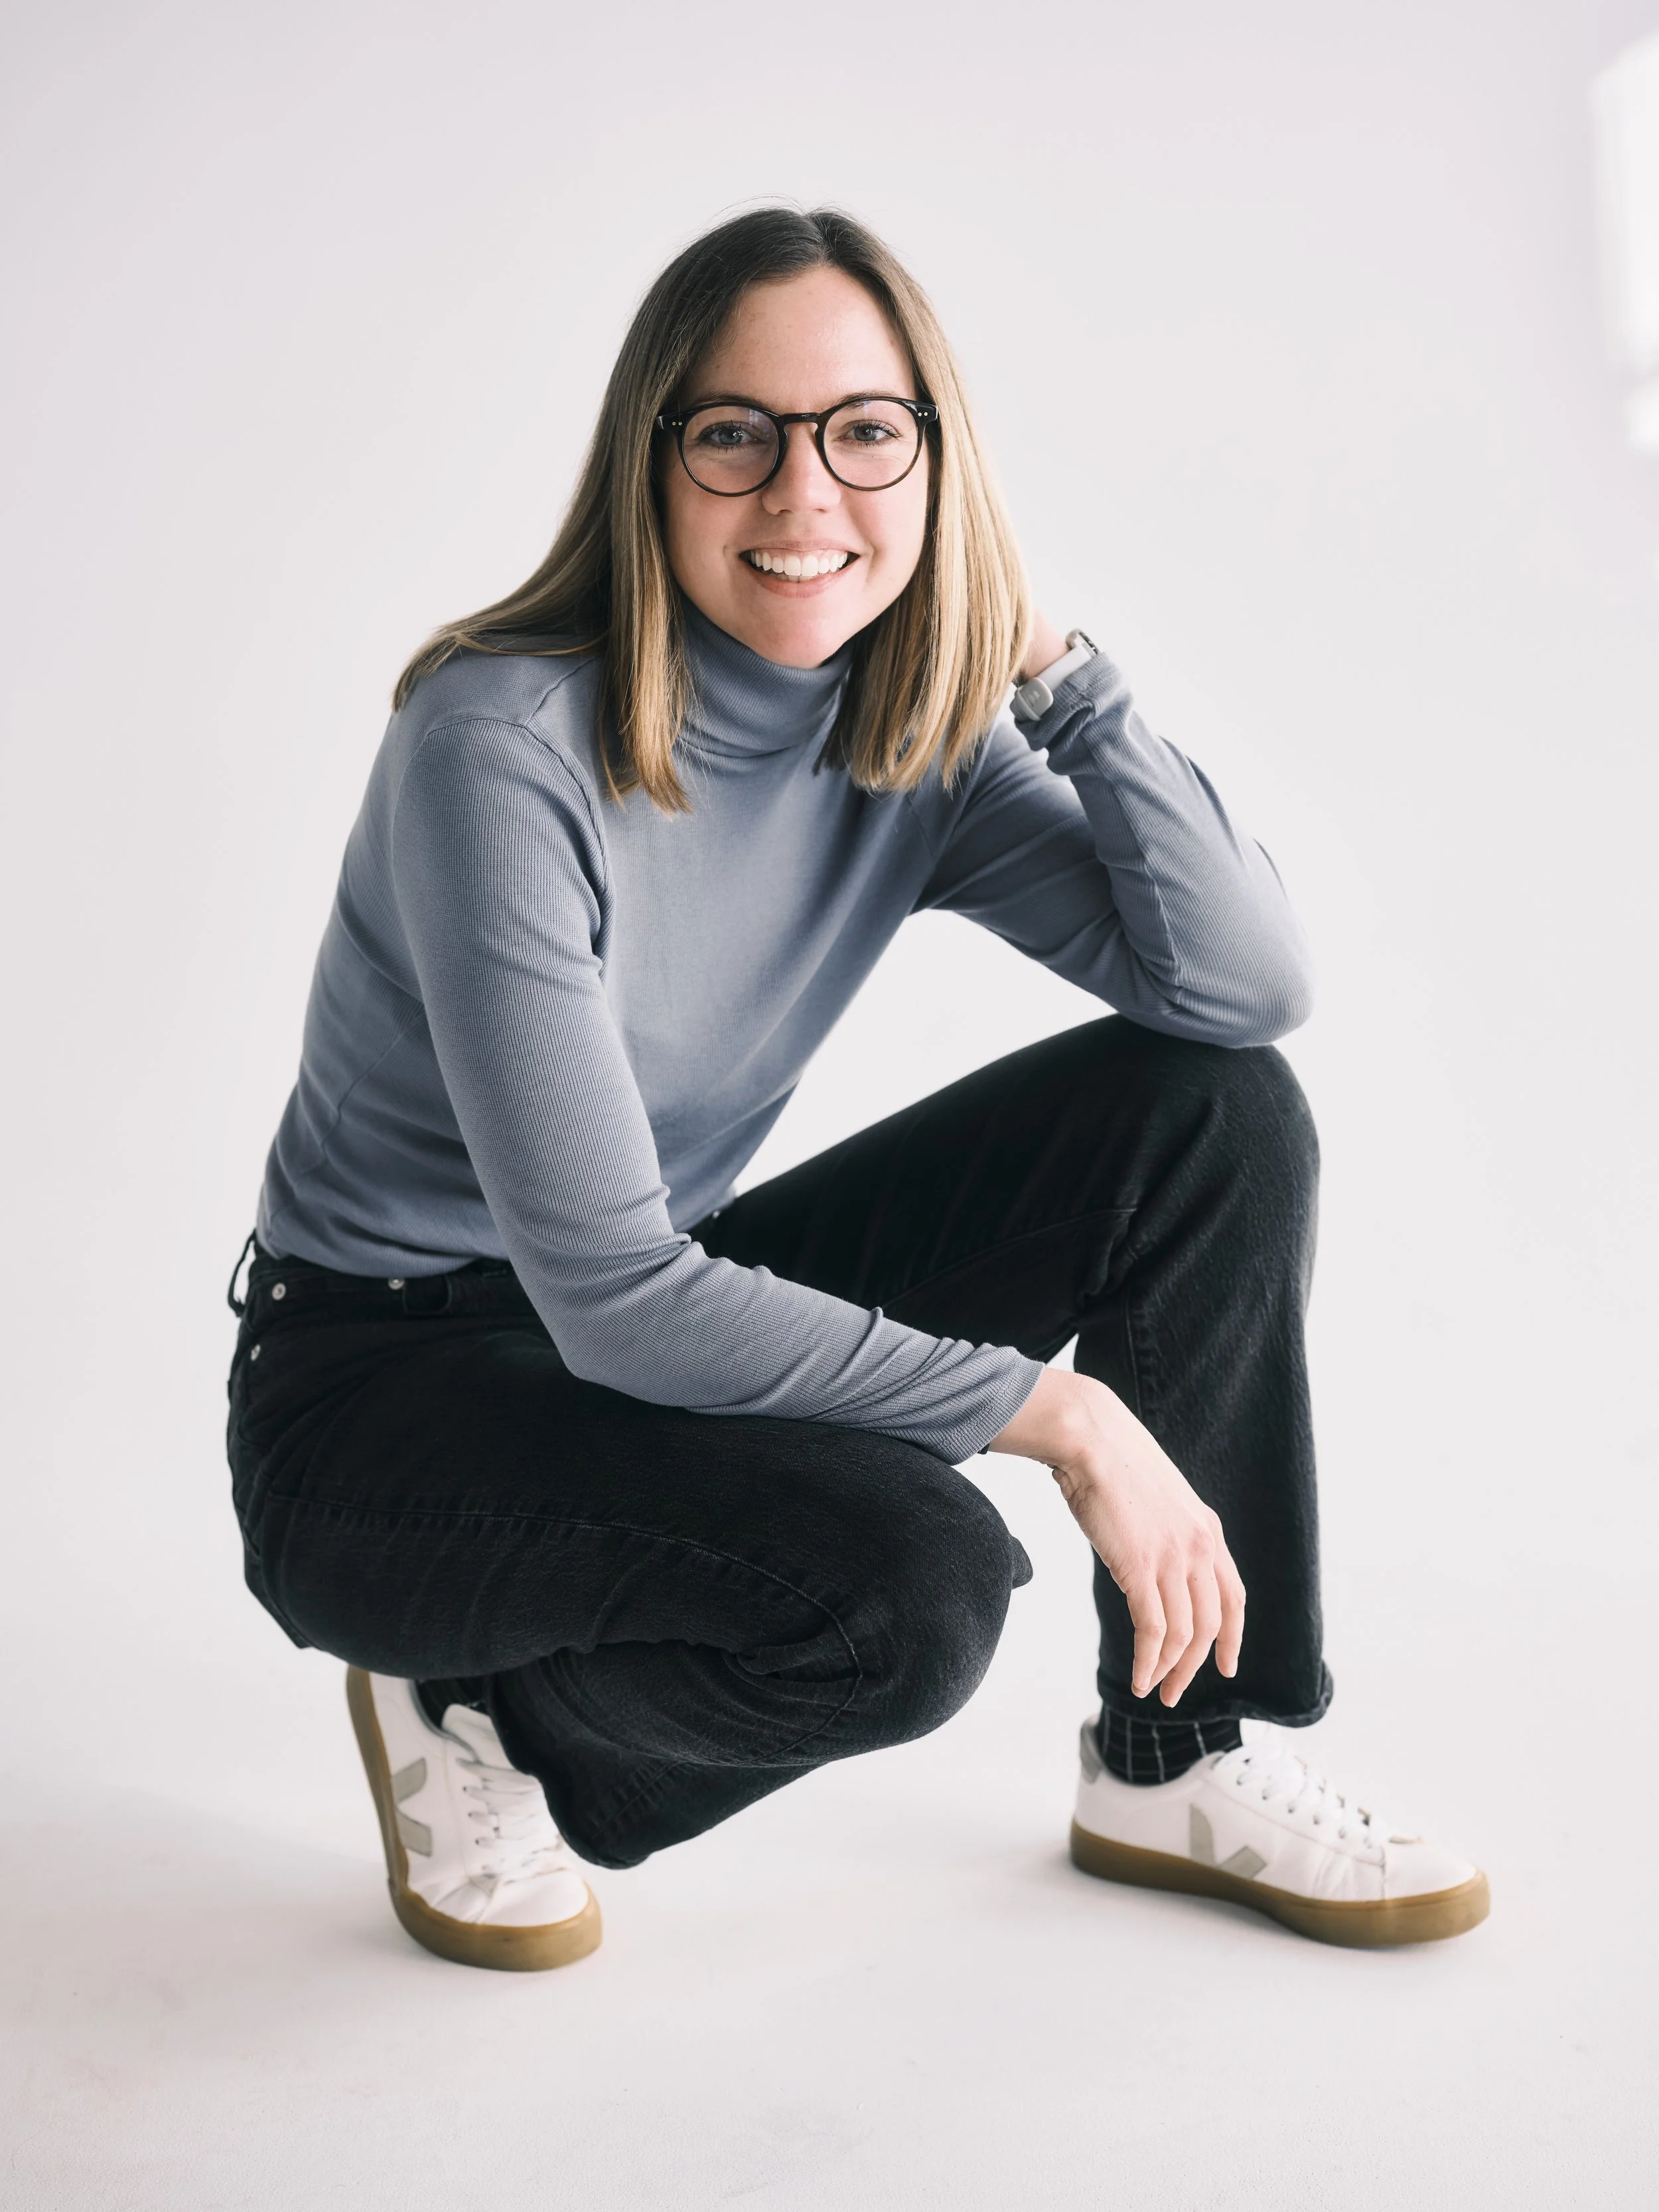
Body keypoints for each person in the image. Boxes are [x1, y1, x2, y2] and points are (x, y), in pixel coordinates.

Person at [226, 205, 1487, 1972]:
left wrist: (1055, 665)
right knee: (913, 1593)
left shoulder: (909, 734)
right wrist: (1058, 1413)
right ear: (650, 464)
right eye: (735, 433)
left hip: (640, 1317)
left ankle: (1174, 1754)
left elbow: (1238, 986)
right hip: (384, 1387)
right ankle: (476, 1708)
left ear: (935, 460)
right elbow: (612, 1299)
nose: (804, 499)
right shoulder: (498, 754)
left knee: (1210, 1115)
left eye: (864, 432)